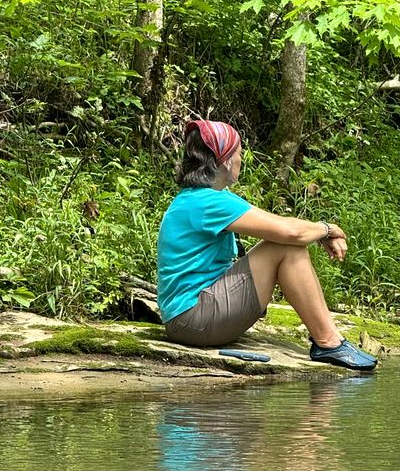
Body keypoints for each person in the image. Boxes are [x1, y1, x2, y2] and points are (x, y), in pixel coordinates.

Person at [156, 119, 377, 371]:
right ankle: (328, 342)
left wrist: (317, 231)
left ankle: (330, 340)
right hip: (194, 321)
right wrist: (327, 229)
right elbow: (290, 233)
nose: (241, 160)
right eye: (238, 154)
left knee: (284, 243)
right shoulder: (207, 202)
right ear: (225, 159)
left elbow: (282, 224)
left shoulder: (202, 199)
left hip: (188, 319)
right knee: (284, 247)